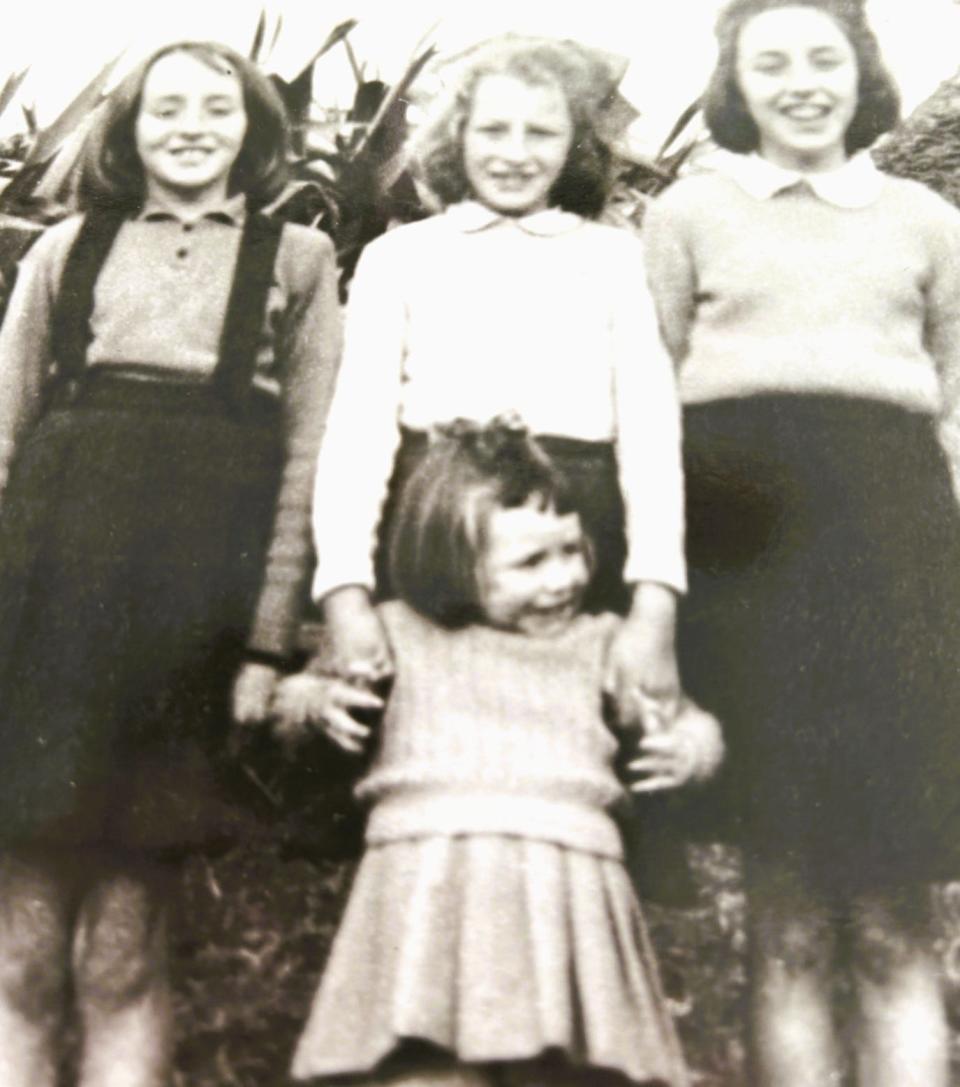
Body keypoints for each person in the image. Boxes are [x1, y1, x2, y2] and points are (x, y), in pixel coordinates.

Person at [0, 41, 340, 1087]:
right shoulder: (68, 248)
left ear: (253, 130)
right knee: (18, 941)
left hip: (190, 620)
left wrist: (266, 642)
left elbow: (308, 466)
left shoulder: (297, 260)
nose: (190, 127)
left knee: (121, 945)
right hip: (46, 607)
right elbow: (4, 433)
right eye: (165, 109)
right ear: (129, 128)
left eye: (216, 109)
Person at [642, 2, 960, 1084]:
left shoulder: (924, 218)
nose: (800, 82)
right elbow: (647, 400)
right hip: (749, 577)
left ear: (862, 69)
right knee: (780, 919)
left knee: (891, 914)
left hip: (896, 575)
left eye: (824, 57)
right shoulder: (686, 214)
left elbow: (955, 408)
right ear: (736, 79)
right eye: (768, 62)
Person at [275, 421, 722, 1087]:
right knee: (421, 1063)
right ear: (452, 564)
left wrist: (691, 747)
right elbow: (291, 702)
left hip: (564, 884)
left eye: (572, 550)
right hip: (428, 884)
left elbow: (689, 720)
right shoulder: (396, 633)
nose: (564, 578)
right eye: (530, 563)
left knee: (559, 1064)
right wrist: (315, 704)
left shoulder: (603, 641)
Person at [310, 35, 686, 737]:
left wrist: (655, 601)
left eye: (541, 131)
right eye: (492, 129)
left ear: (575, 145)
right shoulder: (400, 259)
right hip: (433, 520)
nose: (515, 152)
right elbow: (358, 432)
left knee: (568, 749)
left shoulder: (616, 260)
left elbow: (650, 434)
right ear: (455, 136)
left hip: (577, 520)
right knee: (425, 742)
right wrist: (344, 590)